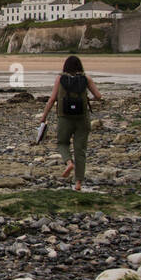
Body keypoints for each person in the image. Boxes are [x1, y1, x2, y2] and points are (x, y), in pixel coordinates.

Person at [39, 55, 102, 191]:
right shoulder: (86, 78)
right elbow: (98, 96)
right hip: (82, 118)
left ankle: (68, 162)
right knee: (80, 150)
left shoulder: (60, 79)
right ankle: (78, 183)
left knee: (62, 143)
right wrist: (86, 99)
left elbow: (52, 100)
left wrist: (44, 117)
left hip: (64, 117)